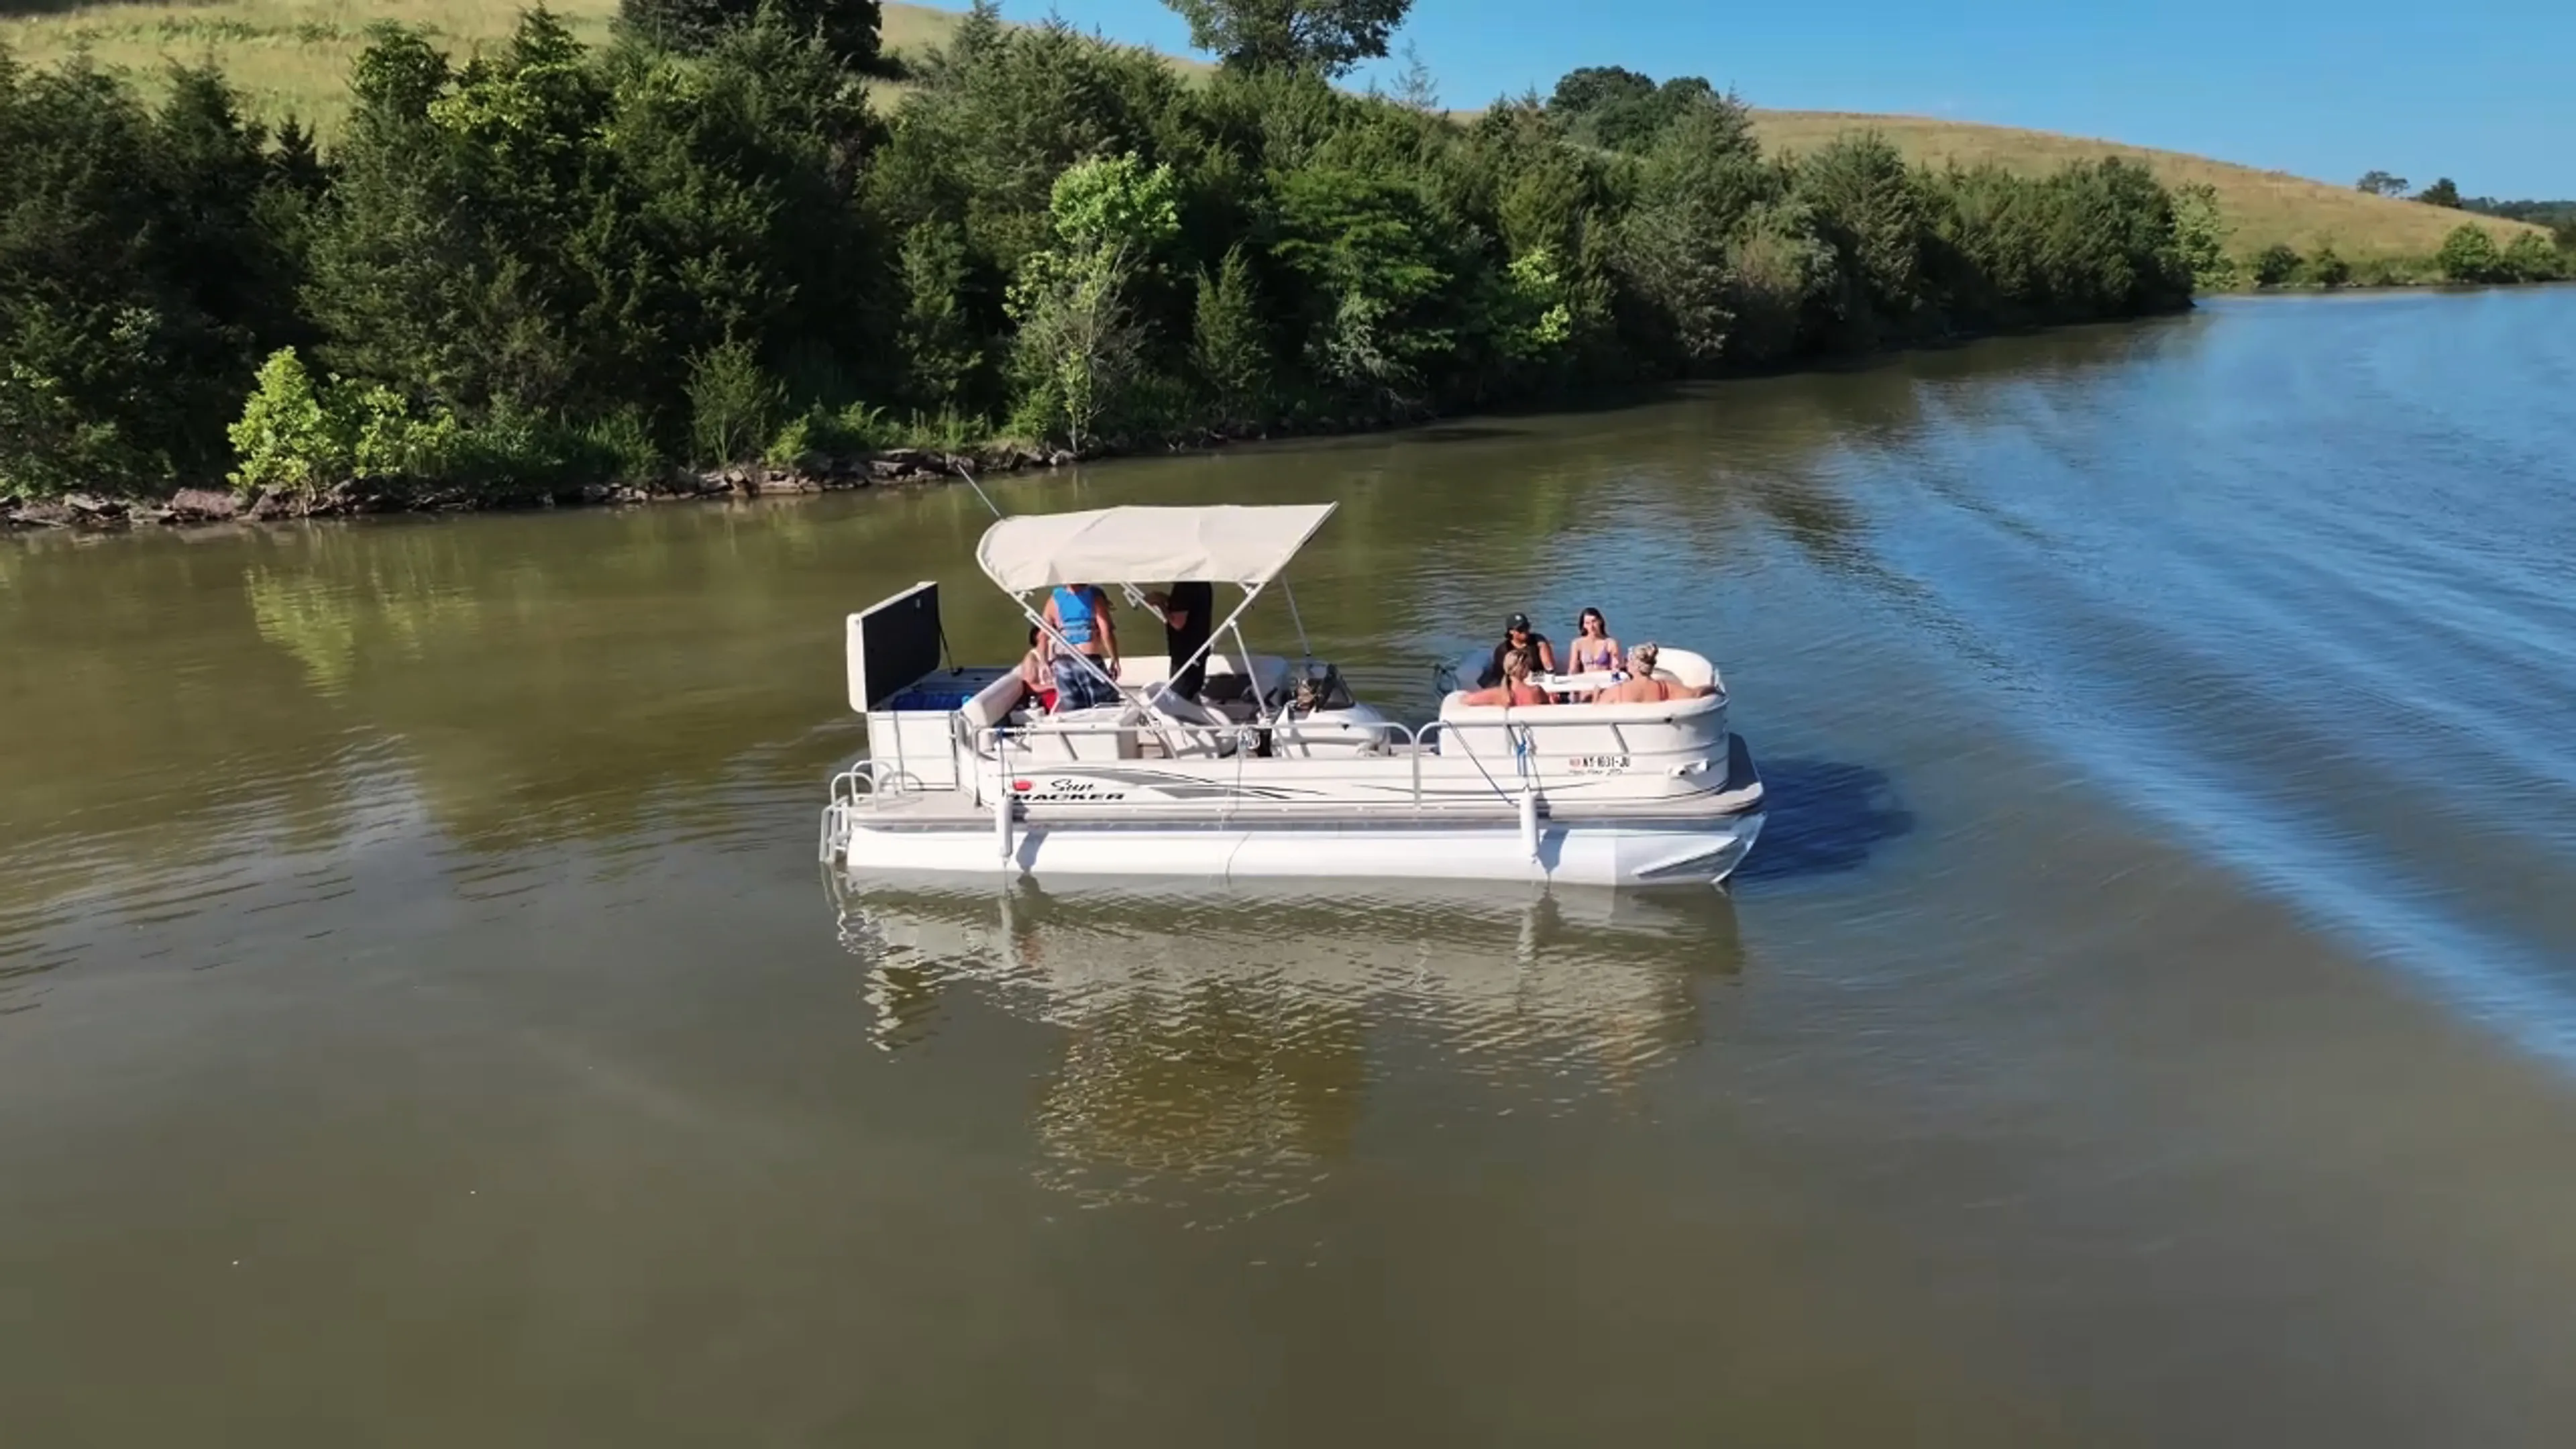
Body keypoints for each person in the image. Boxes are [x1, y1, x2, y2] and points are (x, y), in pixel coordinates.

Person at [1042, 581, 1120, 710]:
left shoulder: (1054, 599)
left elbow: (1043, 635)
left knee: (1072, 709)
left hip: (1062, 660)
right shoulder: (1094, 595)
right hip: (1087, 659)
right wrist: (1114, 659)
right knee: (1104, 705)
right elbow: (1106, 631)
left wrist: (1044, 662)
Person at [1142, 580, 1216, 700]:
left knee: (1179, 696)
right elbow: (1187, 606)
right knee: (1193, 692)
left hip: (1185, 653)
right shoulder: (1202, 584)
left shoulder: (1184, 588)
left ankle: (1181, 716)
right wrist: (1165, 598)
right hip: (1199, 648)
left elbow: (1177, 623)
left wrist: (1160, 604)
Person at [1591, 643, 1716, 705]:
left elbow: (1596, 713)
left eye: (1628, 661)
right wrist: (1712, 688)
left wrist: (1596, 694)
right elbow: (1695, 694)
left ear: (1634, 665)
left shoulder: (1617, 691)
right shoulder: (1665, 688)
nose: (1626, 665)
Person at [1479, 612, 1556, 687]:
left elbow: (1548, 664)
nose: (1525, 631)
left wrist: (1549, 671)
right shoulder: (1503, 650)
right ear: (1511, 632)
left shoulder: (1538, 640)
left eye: (1527, 627)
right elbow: (1503, 677)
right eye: (1520, 629)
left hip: (1538, 680)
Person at [1458, 647, 1550, 708]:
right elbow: (1550, 707)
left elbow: (1467, 700)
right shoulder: (1536, 691)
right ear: (1525, 669)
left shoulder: (1498, 694)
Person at [1014, 626, 1058, 714]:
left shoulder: (1056, 653)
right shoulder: (1032, 658)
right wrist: (1053, 687)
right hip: (1045, 695)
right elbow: (1030, 687)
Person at [1566, 607, 1621, 675]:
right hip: (1586, 681)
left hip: (1605, 680)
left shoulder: (1610, 643)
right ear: (1584, 626)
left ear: (1600, 621)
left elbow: (1615, 667)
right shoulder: (1577, 644)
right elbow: (1573, 668)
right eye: (1587, 623)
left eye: (1594, 621)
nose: (1592, 626)